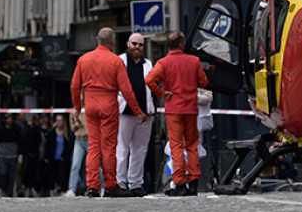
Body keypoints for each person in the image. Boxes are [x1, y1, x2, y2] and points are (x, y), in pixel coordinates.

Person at [71, 27, 147, 198]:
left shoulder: (84, 60)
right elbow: (126, 90)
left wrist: (77, 109)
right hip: (109, 105)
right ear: (112, 42)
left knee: (93, 146)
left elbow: (75, 87)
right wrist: (138, 111)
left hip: (90, 105)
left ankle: (92, 187)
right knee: (109, 147)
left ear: (97, 40)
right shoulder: (115, 61)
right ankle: (111, 186)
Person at [146, 30, 209, 196]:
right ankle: (194, 181)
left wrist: (161, 93)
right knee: (192, 145)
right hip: (191, 108)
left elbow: (149, 80)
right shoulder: (194, 61)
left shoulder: (163, 63)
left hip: (174, 109)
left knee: (176, 146)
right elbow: (204, 82)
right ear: (182, 43)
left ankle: (179, 183)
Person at [116, 33, 155, 196]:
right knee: (122, 149)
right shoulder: (120, 61)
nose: (137, 47)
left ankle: (136, 183)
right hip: (125, 112)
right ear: (127, 44)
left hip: (145, 112)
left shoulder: (148, 64)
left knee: (140, 149)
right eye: (134, 44)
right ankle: (119, 182)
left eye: (140, 45)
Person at [0, 115, 23, 197]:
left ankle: (10, 192)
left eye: (11, 118)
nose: (9, 120)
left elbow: (20, 143)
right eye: (8, 118)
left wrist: (20, 156)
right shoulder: (0, 130)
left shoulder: (16, 130)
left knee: (11, 176)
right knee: (3, 174)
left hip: (13, 156)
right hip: (2, 156)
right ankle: (4, 189)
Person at [66, 109, 88, 196]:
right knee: (75, 165)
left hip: (90, 139)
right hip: (78, 140)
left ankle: (101, 187)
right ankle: (72, 189)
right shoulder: (73, 111)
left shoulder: (88, 107)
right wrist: (76, 125)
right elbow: (72, 128)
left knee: (93, 165)